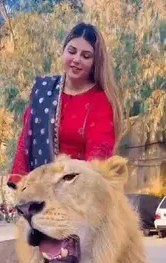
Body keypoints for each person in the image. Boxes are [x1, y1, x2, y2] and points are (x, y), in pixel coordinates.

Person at [7, 22, 124, 187]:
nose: (76, 60)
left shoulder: (100, 101)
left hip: (74, 195)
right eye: (72, 51)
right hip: (36, 190)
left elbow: (98, 155)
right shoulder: (44, 92)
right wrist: (20, 183)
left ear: (95, 62)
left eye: (86, 56)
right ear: (63, 51)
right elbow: (25, 139)